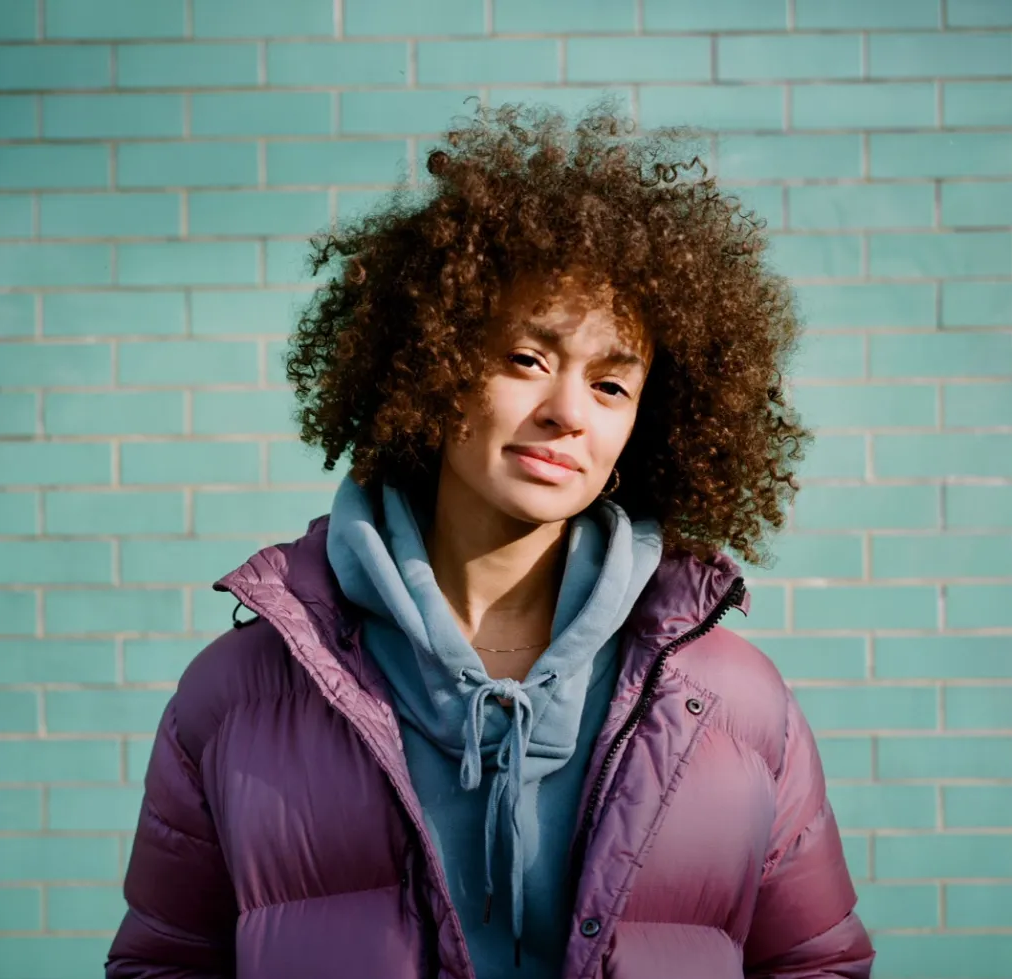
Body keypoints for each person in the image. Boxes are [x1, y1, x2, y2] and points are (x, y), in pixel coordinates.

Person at [106, 101, 874, 979]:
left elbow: (817, 966)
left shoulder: (735, 702)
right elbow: (161, 967)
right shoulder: (236, 697)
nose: (568, 412)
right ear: (430, 361)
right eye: (526, 358)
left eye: (613, 384)